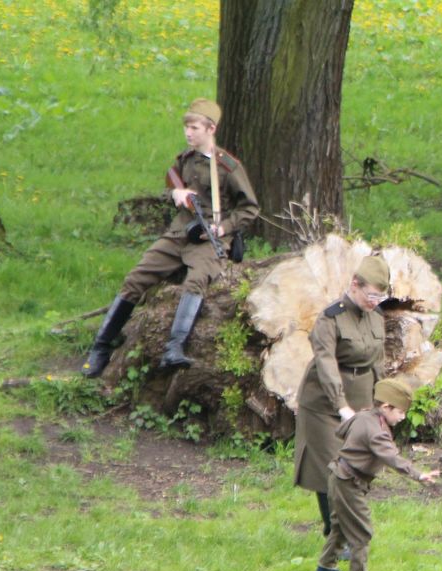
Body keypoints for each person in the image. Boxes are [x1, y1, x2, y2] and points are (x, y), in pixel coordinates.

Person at [81, 98, 259, 378]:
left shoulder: (228, 167)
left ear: (211, 129)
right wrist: (175, 194)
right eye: (186, 127)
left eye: (195, 127)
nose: (188, 133)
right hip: (179, 232)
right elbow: (171, 187)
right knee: (137, 277)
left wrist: (223, 228)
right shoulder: (184, 160)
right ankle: (101, 346)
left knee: (198, 279)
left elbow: (249, 208)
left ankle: (174, 348)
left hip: (209, 236)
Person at [294, 254, 392, 548]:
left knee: (357, 468)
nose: (374, 301)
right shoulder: (330, 318)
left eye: (380, 296)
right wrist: (340, 406)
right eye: (371, 295)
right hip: (324, 402)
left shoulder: (376, 317)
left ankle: (346, 532)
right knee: (331, 470)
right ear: (355, 285)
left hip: (361, 398)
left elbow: (378, 362)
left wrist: (382, 404)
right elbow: (325, 364)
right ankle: (337, 535)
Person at [317, 378, 439, 571]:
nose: (402, 417)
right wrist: (419, 475)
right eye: (400, 412)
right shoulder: (376, 432)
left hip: (338, 476)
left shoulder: (364, 416)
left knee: (341, 527)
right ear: (385, 407)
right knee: (361, 531)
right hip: (349, 482)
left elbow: (341, 431)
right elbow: (392, 458)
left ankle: (326, 568)